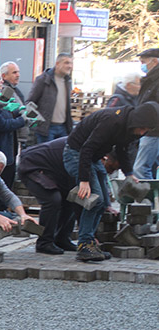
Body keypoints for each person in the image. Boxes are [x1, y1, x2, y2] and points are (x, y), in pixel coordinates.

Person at [63, 102, 159, 261]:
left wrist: (129, 174)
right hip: (76, 154)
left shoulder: (128, 126)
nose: (142, 133)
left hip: (92, 157)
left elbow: (122, 149)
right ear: (139, 121)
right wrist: (84, 180)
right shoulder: (112, 121)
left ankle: (90, 242)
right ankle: (84, 245)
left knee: (104, 201)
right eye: (143, 129)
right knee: (95, 199)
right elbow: (86, 148)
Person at [17, 138, 79, 255]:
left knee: (71, 200)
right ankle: (44, 243)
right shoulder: (77, 150)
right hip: (31, 165)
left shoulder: (92, 153)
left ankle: (62, 238)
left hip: (53, 170)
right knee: (52, 200)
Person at [0, 66, 25, 187]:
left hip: (8, 148)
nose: (2, 81)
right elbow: (1, 125)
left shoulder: (1, 98)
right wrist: (23, 120)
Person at [27, 53, 74, 144]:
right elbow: (29, 103)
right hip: (46, 129)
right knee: (46, 156)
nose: (69, 66)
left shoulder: (67, 81)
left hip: (63, 128)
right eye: (66, 63)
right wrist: (37, 122)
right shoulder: (43, 80)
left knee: (60, 156)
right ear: (57, 64)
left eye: (71, 63)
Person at [132, 48, 159, 179]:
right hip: (150, 129)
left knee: (140, 168)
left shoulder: (156, 81)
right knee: (150, 165)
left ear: (155, 61)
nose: (142, 66)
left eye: (144, 62)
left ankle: (148, 198)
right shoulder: (150, 80)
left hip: (153, 131)